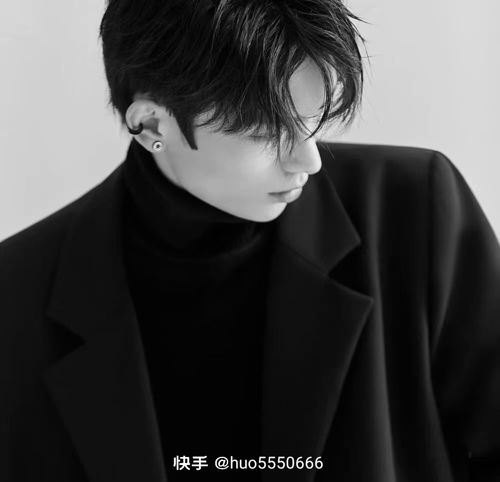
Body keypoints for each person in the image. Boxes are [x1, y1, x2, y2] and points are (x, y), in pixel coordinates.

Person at [1, 1, 499, 481]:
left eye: (312, 118)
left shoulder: (411, 211)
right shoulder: (17, 293)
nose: (308, 160)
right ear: (151, 124)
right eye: (265, 131)